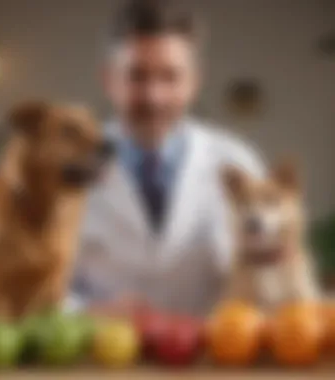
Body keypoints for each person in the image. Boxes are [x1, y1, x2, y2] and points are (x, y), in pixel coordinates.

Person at [66, 0, 264, 317]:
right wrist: (87, 313)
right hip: (98, 359)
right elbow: (36, 285)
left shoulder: (236, 162)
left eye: (170, 77)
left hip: (214, 356)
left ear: (194, 82)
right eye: (136, 76)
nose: (153, 96)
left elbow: (266, 268)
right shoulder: (67, 168)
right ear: (108, 80)